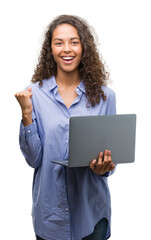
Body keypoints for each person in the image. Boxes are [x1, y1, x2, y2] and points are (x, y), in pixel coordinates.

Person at [15, 15, 116, 240]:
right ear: (50, 49)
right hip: (50, 215)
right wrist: (26, 114)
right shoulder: (34, 95)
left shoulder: (105, 97)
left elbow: (111, 158)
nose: (66, 49)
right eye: (59, 42)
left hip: (91, 215)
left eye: (74, 42)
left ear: (84, 47)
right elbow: (34, 160)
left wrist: (105, 167)